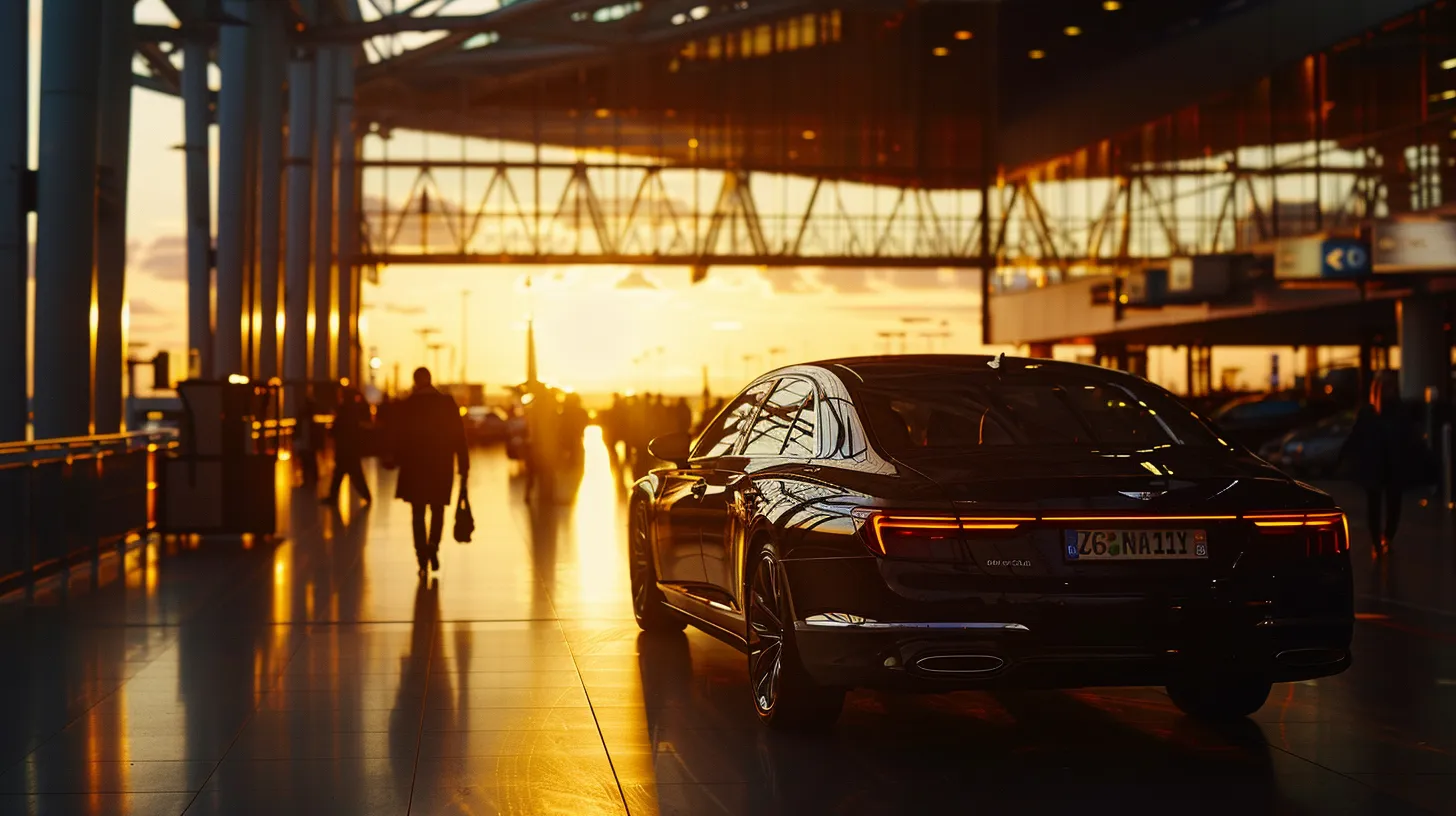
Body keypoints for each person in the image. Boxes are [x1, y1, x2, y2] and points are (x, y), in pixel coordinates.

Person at [391, 367, 469, 575]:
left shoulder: (408, 405)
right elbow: (459, 436)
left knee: (417, 512)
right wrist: (464, 464)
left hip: (414, 468)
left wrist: (393, 459)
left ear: (415, 381)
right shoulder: (446, 403)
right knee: (438, 508)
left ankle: (421, 556)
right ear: (430, 379)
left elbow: (398, 436)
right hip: (440, 466)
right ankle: (434, 545)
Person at [1341, 370, 1424, 556]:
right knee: (1379, 504)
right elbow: (1356, 437)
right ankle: (1380, 540)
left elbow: (1409, 438)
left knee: (1387, 504)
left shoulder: (1393, 412)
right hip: (1380, 464)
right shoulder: (1372, 412)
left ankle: (1385, 538)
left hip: (1387, 464)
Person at [323, 386, 373, 506]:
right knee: (349, 474)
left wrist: (332, 432)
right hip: (351, 448)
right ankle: (365, 495)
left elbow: (339, 427)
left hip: (345, 448)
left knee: (345, 474)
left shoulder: (344, 410)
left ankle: (334, 497)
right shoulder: (354, 409)